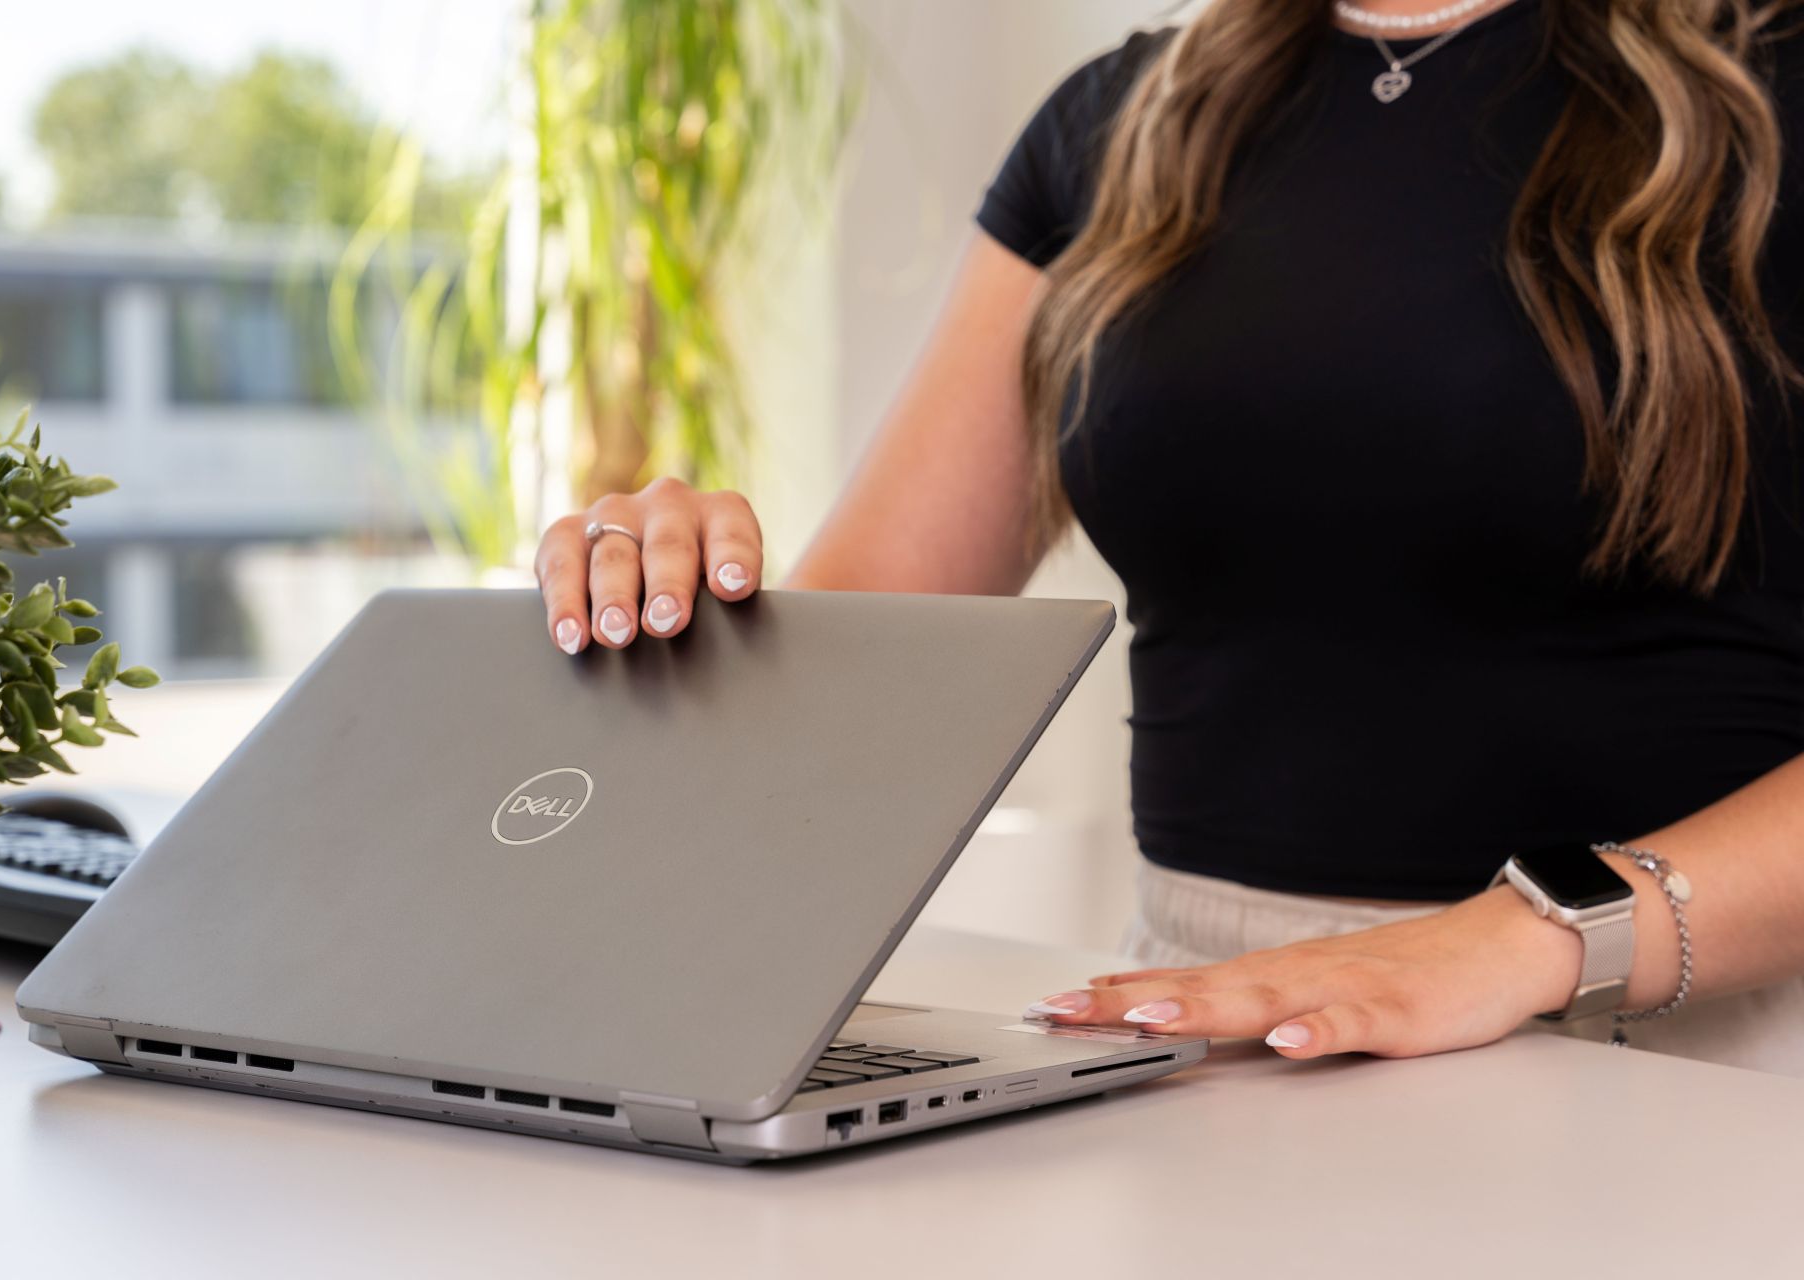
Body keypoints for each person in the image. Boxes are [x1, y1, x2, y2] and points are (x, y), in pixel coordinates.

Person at [532, 0, 1804, 1076]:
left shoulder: (1775, 81)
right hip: (1206, 1023)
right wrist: (687, 596)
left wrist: (1535, 936)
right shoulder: (1120, 124)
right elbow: (865, 667)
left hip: (1690, 1029)